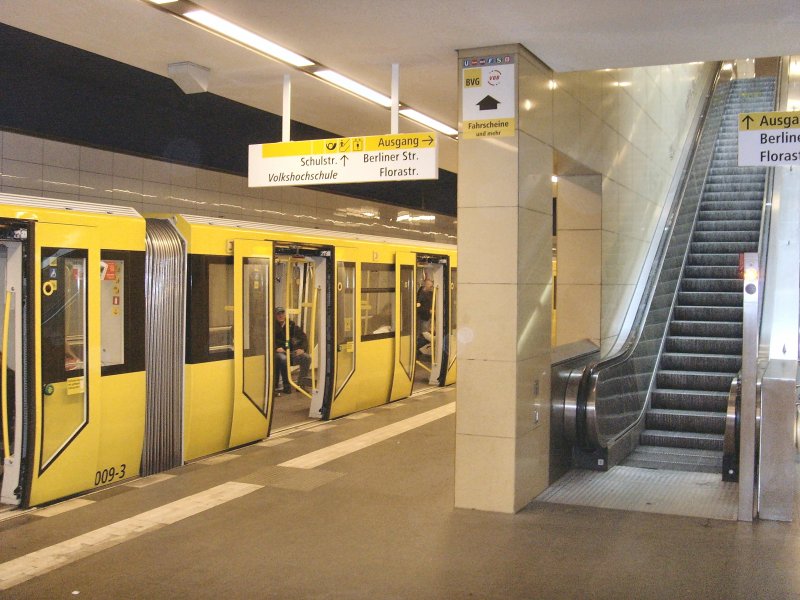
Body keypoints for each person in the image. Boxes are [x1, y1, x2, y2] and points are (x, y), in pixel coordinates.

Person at [274, 307, 311, 394]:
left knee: (306, 358)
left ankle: (301, 385)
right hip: (277, 353)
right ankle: (286, 387)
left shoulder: (292, 326)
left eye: (282, 313)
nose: (281, 316)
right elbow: (270, 341)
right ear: (275, 316)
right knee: (283, 359)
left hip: (289, 352)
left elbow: (303, 338)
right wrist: (276, 348)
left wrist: (302, 349)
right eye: (278, 314)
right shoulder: (272, 327)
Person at [416, 279, 433, 355]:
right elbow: (418, 308)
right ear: (426, 285)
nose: (431, 287)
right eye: (430, 285)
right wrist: (428, 311)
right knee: (424, 332)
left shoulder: (430, 293)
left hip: (429, 316)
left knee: (426, 331)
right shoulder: (420, 295)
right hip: (423, 317)